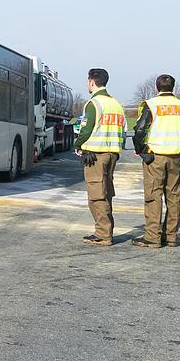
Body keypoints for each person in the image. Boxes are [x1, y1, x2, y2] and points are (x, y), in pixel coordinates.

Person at [132, 74, 180, 248]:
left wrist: (140, 149)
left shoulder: (152, 105)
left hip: (155, 156)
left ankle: (152, 237)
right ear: (173, 87)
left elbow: (140, 130)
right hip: (175, 156)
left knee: (154, 195)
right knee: (174, 197)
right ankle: (171, 236)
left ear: (156, 87)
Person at [75, 68, 125, 245]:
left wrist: (78, 144)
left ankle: (103, 234)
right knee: (106, 192)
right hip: (112, 153)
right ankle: (106, 231)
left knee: (96, 195)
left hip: (95, 155)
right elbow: (123, 131)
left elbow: (86, 129)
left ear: (92, 82)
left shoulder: (94, 103)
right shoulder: (116, 104)